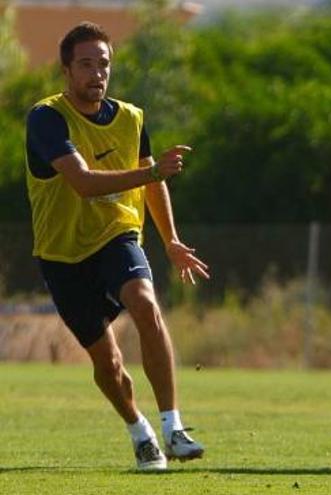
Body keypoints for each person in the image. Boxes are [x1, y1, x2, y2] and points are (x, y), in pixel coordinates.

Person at [24, 22, 208, 471]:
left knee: (146, 305)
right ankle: (139, 429)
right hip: (63, 254)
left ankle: (174, 427)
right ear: (66, 70)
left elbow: (151, 184)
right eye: (85, 64)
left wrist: (172, 241)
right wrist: (152, 174)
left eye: (103, 64)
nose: (96, 73)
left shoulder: (131, 117)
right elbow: (85, 183)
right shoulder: (47, 118)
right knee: (107, 364)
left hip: (116, 235)